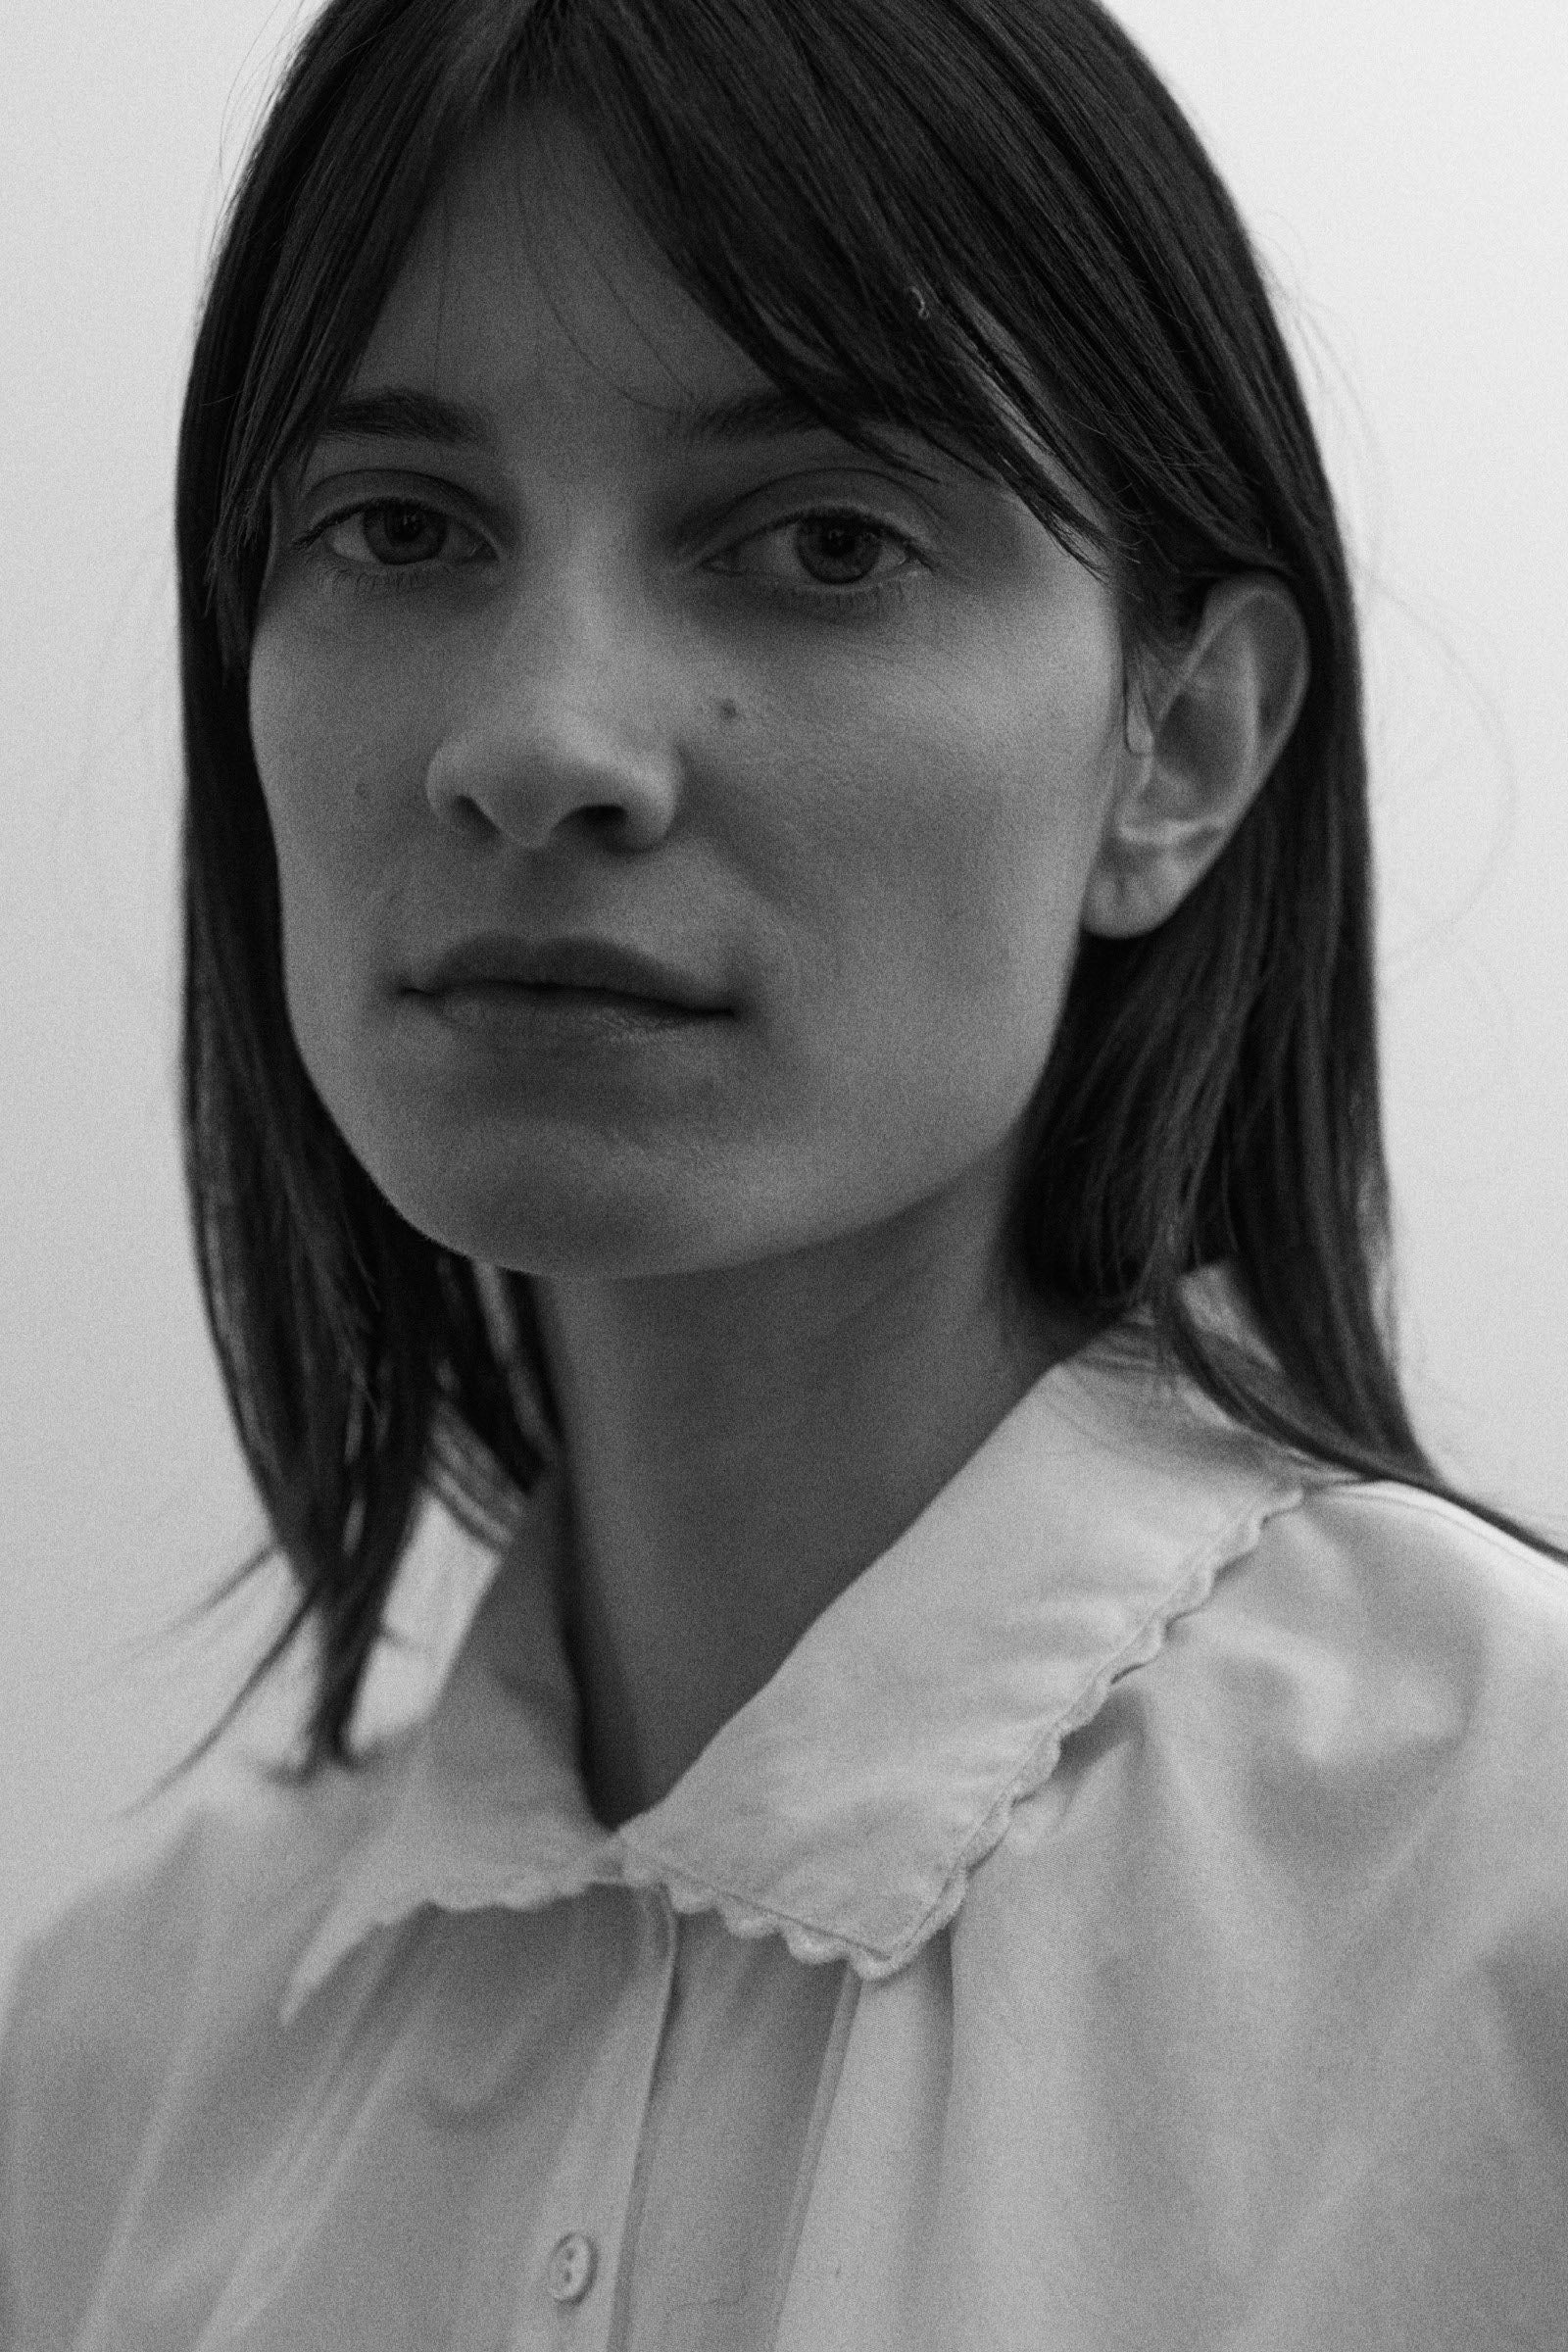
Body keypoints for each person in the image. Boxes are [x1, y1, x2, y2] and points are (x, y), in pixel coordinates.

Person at [4, 0, 1566, 2343]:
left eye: (815, 540)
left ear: (1181, 744)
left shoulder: (1501, 1923)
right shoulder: (114, 2077)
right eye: (397, 527)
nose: (538, 742)